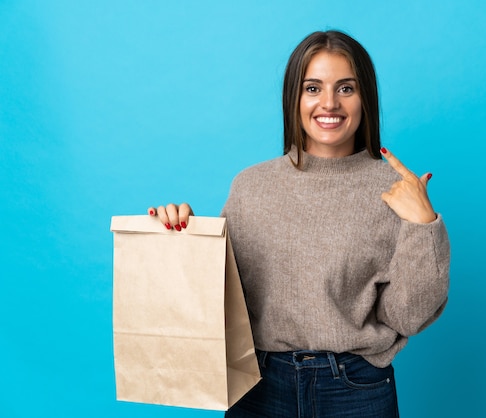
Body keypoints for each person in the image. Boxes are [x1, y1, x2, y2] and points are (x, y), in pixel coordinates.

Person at [148, 30, 450, 418]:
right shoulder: (251, 186)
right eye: (313, 88)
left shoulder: (394, 192)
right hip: (258, 385)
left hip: (355, 390)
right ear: (294, 97)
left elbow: (409, 316)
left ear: (365, 99)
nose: (329, 103)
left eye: (346, 88)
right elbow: (218, 302)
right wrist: (183, 238)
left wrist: (424, 224)